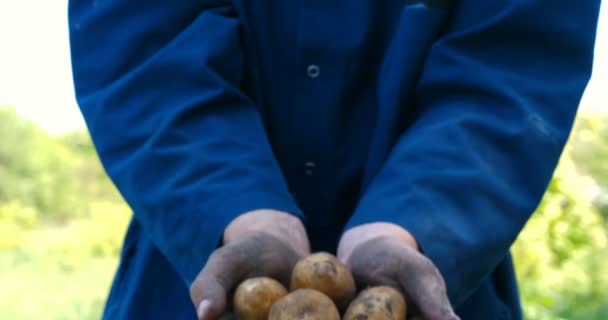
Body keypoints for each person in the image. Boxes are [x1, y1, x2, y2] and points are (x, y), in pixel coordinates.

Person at [67, 1, 601, 319]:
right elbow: (145, 52)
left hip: (433, 270)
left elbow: (513, 65)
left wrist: (409, 226)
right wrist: (235, 209)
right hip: (192, 264)